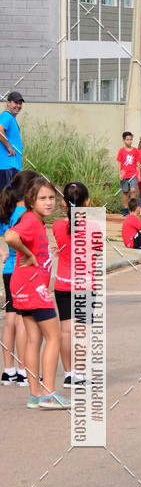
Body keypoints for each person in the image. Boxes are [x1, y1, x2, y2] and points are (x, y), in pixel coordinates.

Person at [4, 174, 71, 408]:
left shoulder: (34, 220)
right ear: (31, 201)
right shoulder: (31, 220)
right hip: (32, 285)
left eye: (52, 197)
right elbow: (10, 236)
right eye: (42, 198)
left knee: (34, 339)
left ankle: (35, 395)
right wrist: (29, 254)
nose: (49, 202)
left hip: (21, 284)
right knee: (53, 336)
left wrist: (37, 253)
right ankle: (48, 393)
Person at [52, 181, 101, 387]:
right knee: (83, 330)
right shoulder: (94, 227)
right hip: (85, 284)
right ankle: (79, 373)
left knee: (65, 330)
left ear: (64, 203)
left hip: (62, 284)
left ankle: (69, 373)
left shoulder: (56, 226)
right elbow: (97, 251)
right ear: (88, 202)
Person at [0, 170, 31, 386]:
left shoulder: (7, 211)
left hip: (8, 270)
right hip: (22, 270)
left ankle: (8, 369)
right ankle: (23, 370)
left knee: (10, 318)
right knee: (22, 320)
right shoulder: (25, 215)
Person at [0, 91, 24, 193]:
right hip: (7, 164)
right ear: (8, 103)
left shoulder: (11, 118)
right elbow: (0, 130)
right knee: (5, 196)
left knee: (9, 196)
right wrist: (9, 147)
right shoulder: (6, 116)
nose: (18, 106)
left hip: (12, 165)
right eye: (16, 102)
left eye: (20, 103)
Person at [116, 131, 141, 215]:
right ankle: (125, 208)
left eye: (131, 139)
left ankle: (133, 208)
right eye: (127, 139)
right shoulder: (121, 151)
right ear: (124, 140)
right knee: (125, 192)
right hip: (124, 175)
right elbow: (119, 163)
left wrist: (139, 174)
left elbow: (138, 163)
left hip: (133, 174)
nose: (129, 141)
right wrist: (120, 174)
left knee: (133, 190)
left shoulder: (135, 151)